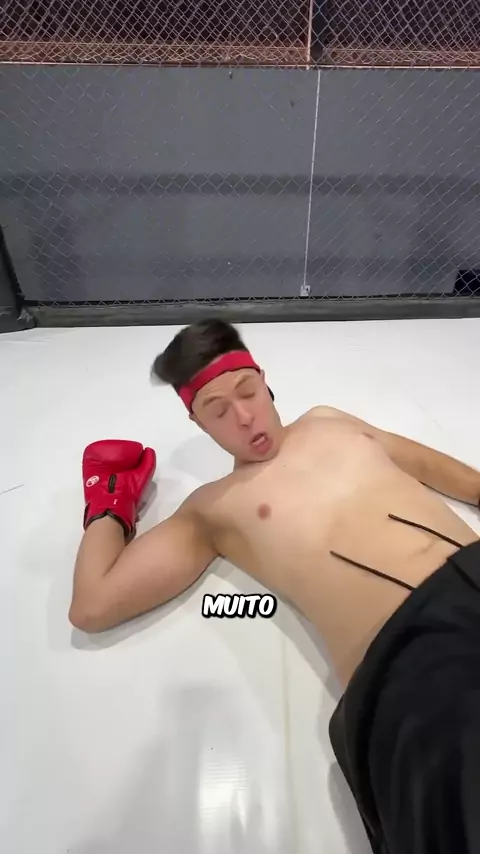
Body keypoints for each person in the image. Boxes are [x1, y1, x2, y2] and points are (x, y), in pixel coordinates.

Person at [70, 319, 480, 854]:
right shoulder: (215, 507)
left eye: (247, 392)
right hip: (414, 657)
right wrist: (110, 502)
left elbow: (443, 471)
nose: (244, 417)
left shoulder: (330, 421)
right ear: (197, 422)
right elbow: (93, 604)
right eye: (218, 410)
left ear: (264, 379)